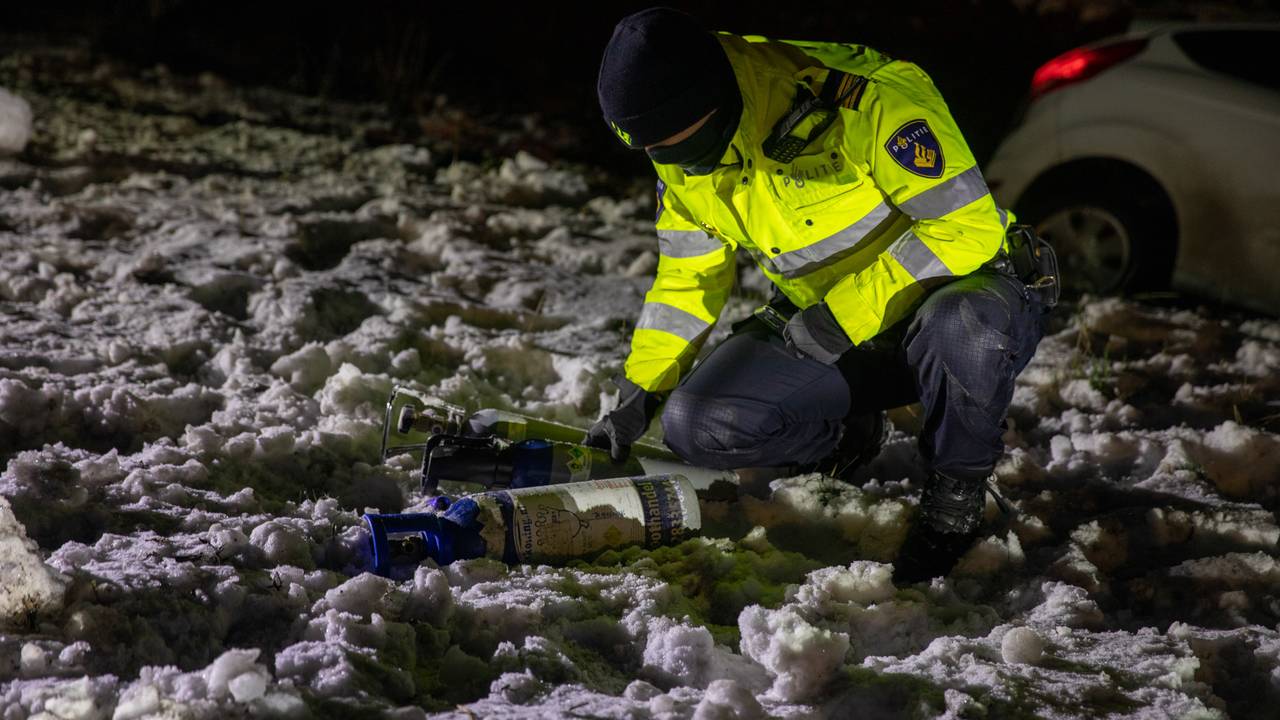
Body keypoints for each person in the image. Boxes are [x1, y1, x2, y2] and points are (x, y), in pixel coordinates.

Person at [584, 8, 1050, 583]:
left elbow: (967, 229)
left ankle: (954, 500)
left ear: (718, 98)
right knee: (698, 423)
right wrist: (640, 393)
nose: (683, 165)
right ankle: (847, 435)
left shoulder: (866, 99)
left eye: (691, 145)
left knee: (962, 324)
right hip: (833, 324)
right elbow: (687, 279)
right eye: (660, 152)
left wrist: (837, 321)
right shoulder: (677, 146)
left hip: (961, 298)